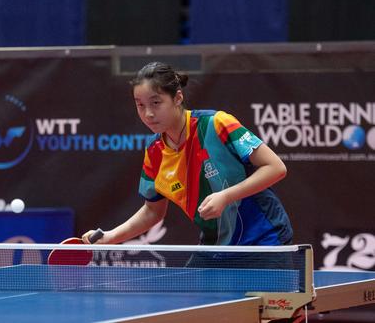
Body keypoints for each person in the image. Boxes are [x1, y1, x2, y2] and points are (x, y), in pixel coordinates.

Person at [82, 62, 293, 248]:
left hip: (263, 238)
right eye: (140, 105)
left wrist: (225, 196)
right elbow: (153, 211)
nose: (148, 113)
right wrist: (110, 237)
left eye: (156, 103)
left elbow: (275, 168)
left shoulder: (216, 124)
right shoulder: (155, 151)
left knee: (262, 295)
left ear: (177, 98)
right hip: (216, 245)